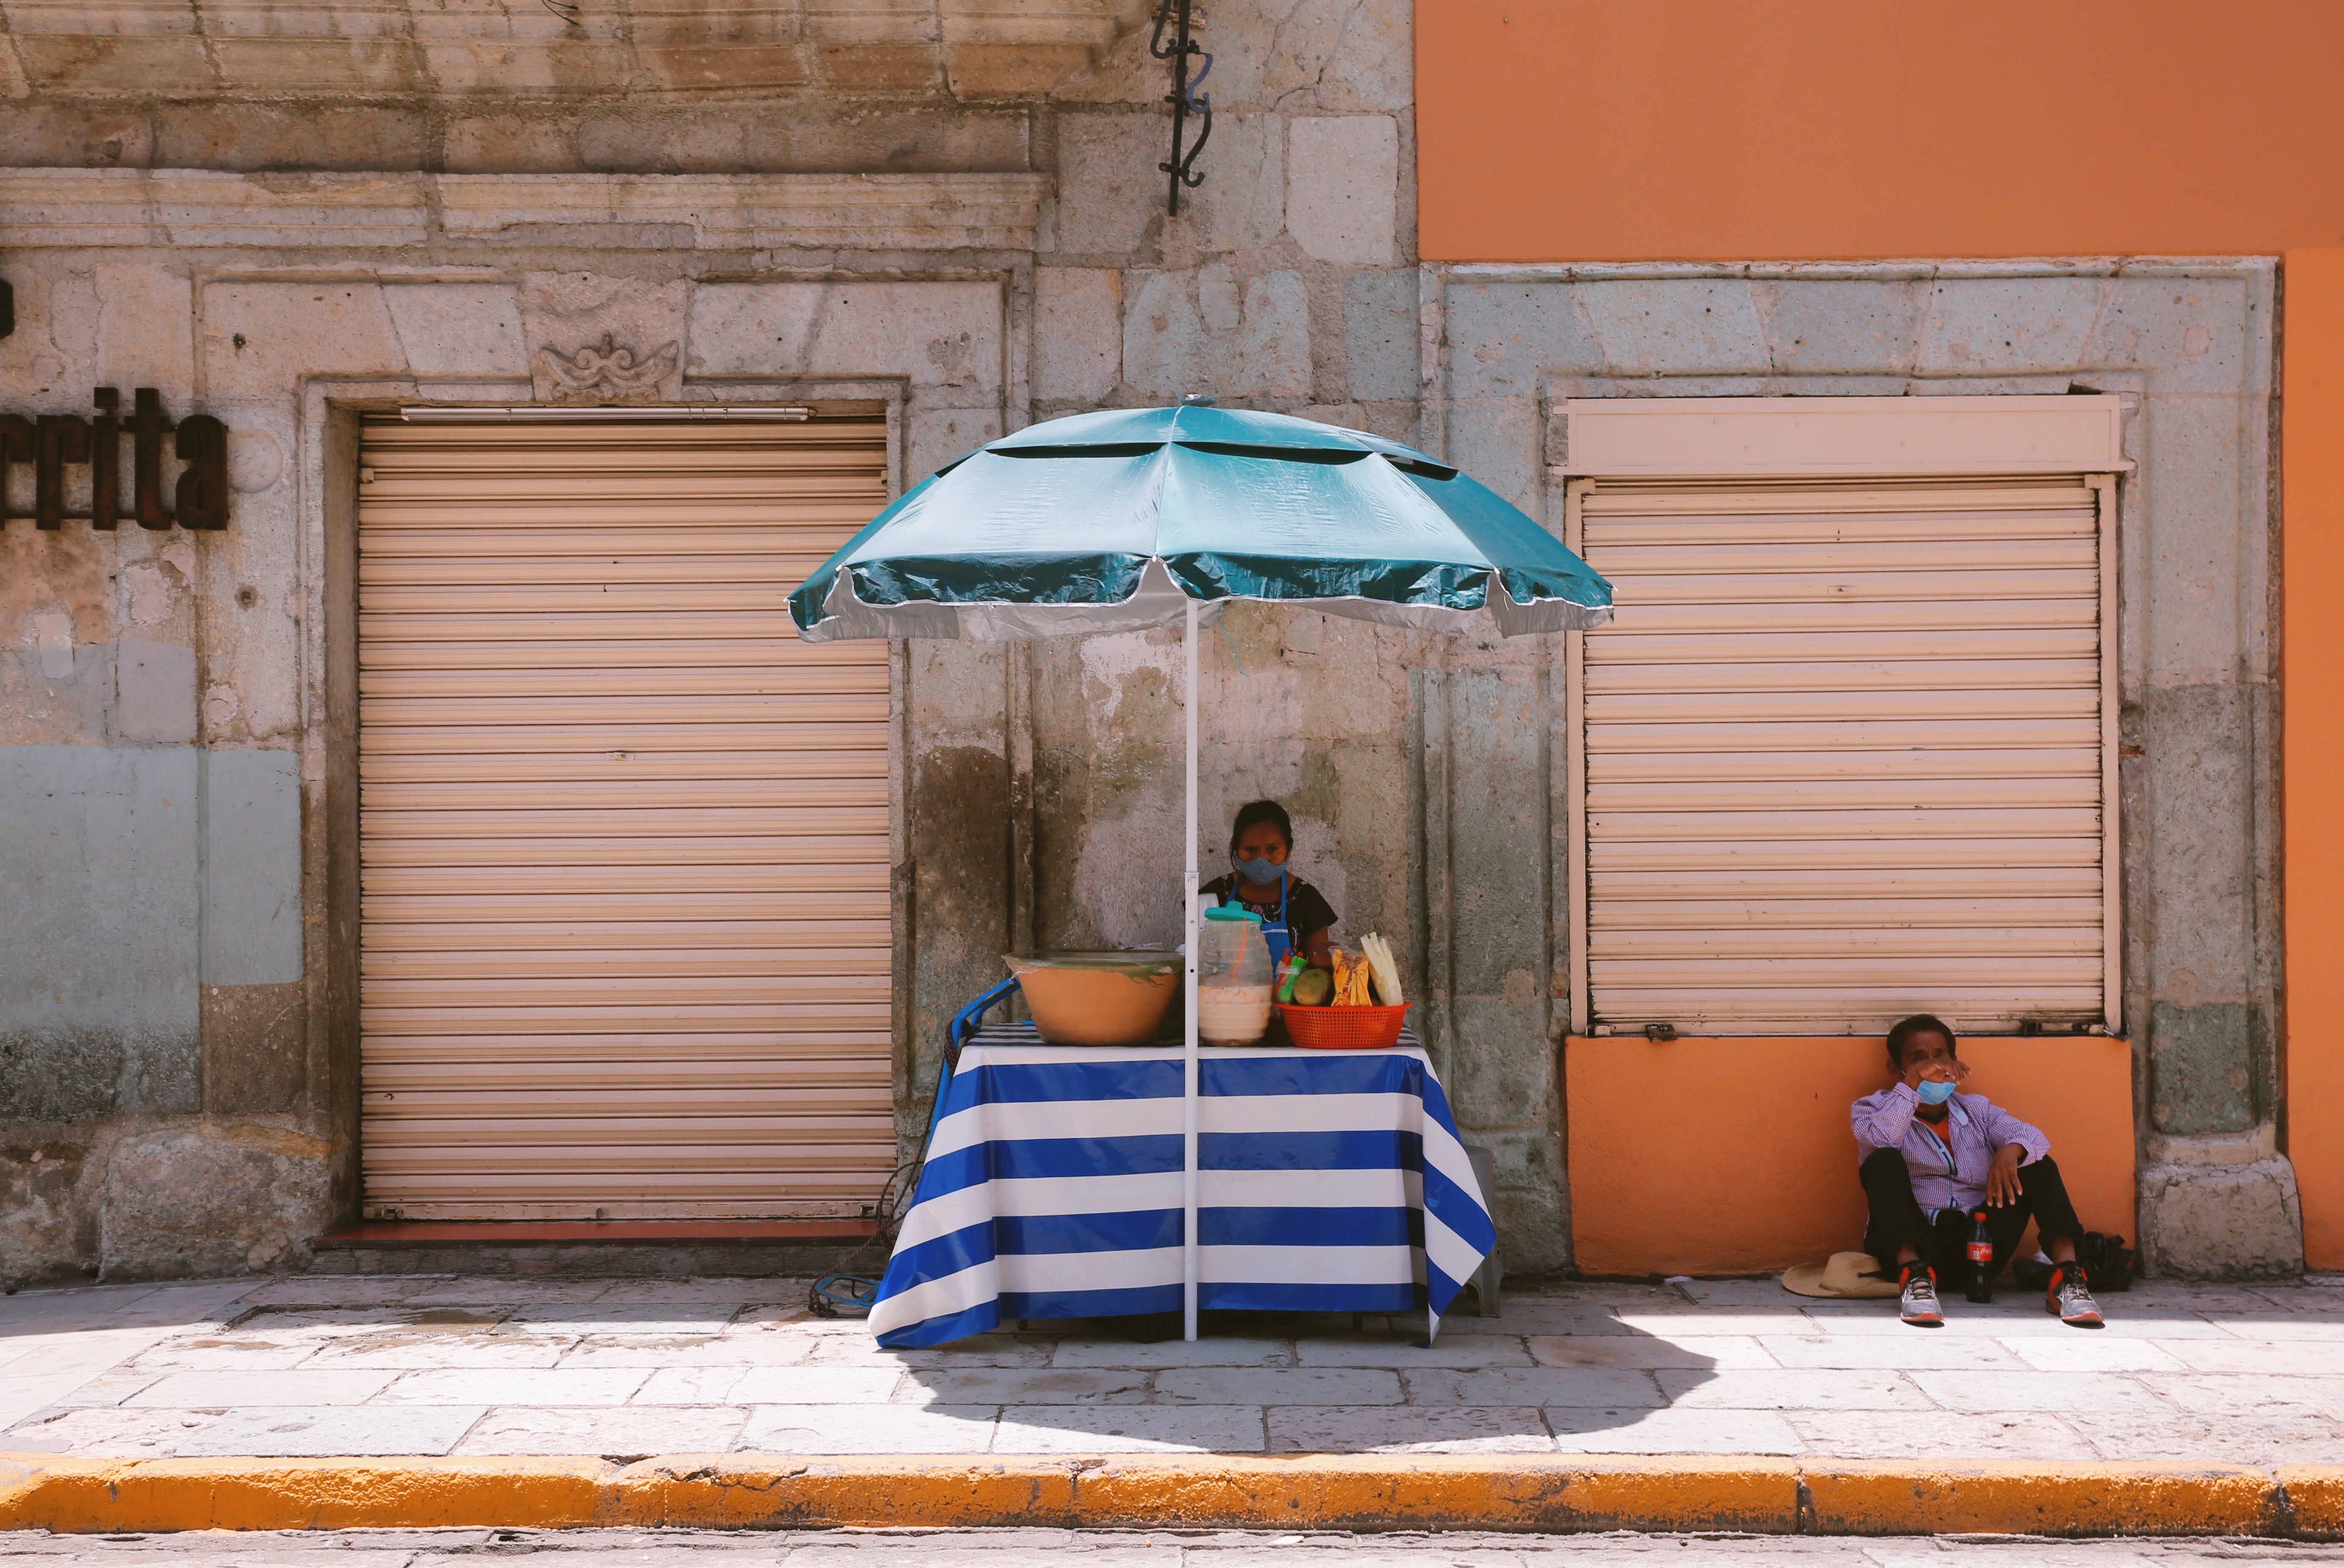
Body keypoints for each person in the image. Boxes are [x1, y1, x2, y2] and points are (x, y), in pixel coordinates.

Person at [1852, 1013, 2104, 1329]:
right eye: (1918, 1060)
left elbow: (2035, 1138)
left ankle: (2067, 1278)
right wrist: (1912, 1085)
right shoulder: (1871, 1109)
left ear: (1955, 1062)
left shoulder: (1976, 1110)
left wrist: (2010, 1151)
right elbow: (1882, 1139)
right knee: (1882, 1162)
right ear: (1895, 1069)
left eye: (1940, 1057)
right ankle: (1913, 1280)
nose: (1932, 1067)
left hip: (1977, 1247)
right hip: (1913, 1244)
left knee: (2035, 1163)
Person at [1196, 799, 1338, 972]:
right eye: (1251, 849)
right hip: (1225, 997)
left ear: (1289, 849)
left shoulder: (1305, 898)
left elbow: (1319, 970)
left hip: (1285, 999)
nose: (1261, 859)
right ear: (1236, 850)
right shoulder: (1216, 894)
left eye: (1272, 849)